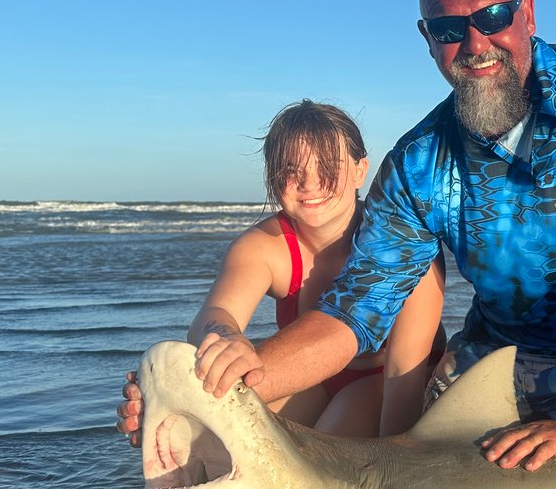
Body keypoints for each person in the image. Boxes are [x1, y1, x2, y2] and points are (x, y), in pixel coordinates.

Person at [186, 0, 556, 471]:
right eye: (450, 29)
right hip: (497, 352)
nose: (476, 44)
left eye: (493, 17)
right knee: (423, 477)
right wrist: (207, 390)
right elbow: (354, 313)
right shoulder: (418, 164)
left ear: (527, 13)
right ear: (428, 38)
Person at [118, 101, 445, 443]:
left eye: (328, 166)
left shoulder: (407, 244)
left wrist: (393, 472)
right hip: (310, 379)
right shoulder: (264, 246)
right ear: (273, 177)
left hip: (395, 381)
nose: (309, 182)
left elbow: (401, 377)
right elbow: (215, 314)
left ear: (360, 170)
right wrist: (223, 346)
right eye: (291, 169)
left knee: (331, 436)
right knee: (206, 429)